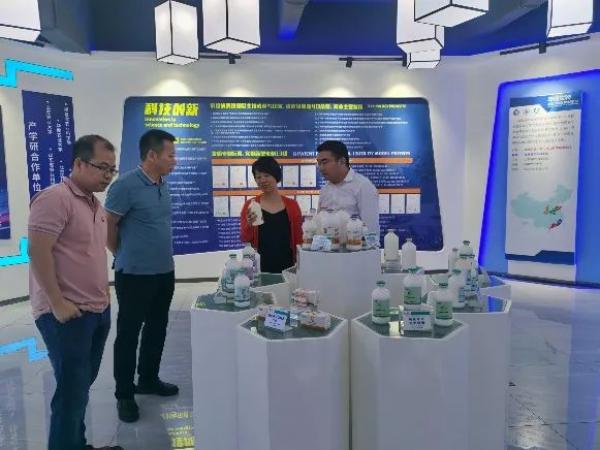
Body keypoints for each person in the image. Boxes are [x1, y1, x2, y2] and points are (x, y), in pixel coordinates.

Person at [29, 135, 122, 450]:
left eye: (112, 169)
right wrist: (57, 302)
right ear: (79, 163)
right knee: (71, 393)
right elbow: (38, 251)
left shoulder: (95, 204)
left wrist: (104, 296)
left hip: (96, 310)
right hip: (67, 314)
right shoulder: (55, 198)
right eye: (102, 167)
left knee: (79, 387)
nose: (108, 175)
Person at [105, 129, 178, 423]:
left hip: (164, 271)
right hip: (134, 274)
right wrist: (122, 254)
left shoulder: (163, 183)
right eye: (170, 155)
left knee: (157, 327)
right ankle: (124, 394)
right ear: (152, 155)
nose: (174, 160)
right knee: (128, 333)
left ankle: (148, 378)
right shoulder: (124, 186)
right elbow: (108, 227)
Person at [240, 156, 302, 273]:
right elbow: (244, 238)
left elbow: (299, 239)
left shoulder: (292, 206)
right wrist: (249, 224)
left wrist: (300, 264)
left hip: (288, 267)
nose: (263, 180)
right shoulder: (251, 205)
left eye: (267, 175)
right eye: (258, 177)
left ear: (276, 175)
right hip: (260, 269)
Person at [316, 140, 379, 235]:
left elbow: (371, 229)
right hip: (327, 244)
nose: (320, 168)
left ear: (342, 161)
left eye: (325, 162)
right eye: (319, 163)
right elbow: (319, 225)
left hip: (355, 244)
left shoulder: (362, 186)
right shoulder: (325, 190)